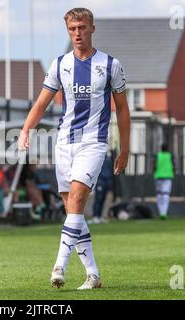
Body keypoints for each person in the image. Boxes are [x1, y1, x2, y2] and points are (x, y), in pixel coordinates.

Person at [18, 8, 131, 290]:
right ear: (68, 31)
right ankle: (93, 275)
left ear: (93, 28)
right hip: (64, 144)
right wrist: (25, 129)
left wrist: (125, 148)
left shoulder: (110, 65)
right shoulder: (59, 64)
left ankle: (59, 266)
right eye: (72, 29)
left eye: (82, 27)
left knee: (78, 202)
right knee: (72, 210)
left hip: (93, 142)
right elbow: (42, 102)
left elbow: (123, 109)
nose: (77, 33)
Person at [90, 152, 114, 224]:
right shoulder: (98, 157)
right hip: (100, 181)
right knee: (98, 199)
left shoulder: (108, 157)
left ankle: (100, 216)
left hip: (107, 181)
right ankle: (95, 216)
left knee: (103, 199)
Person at [154, 143, 175, 220]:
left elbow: (154, 166)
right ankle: (164, 213)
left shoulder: (158, 155)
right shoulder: (170, 156)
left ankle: (160, 212)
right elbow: (173, 165)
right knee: (166, 195)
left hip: (159, 176)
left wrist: (155, 173)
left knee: (159, 195)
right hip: (168, 177)